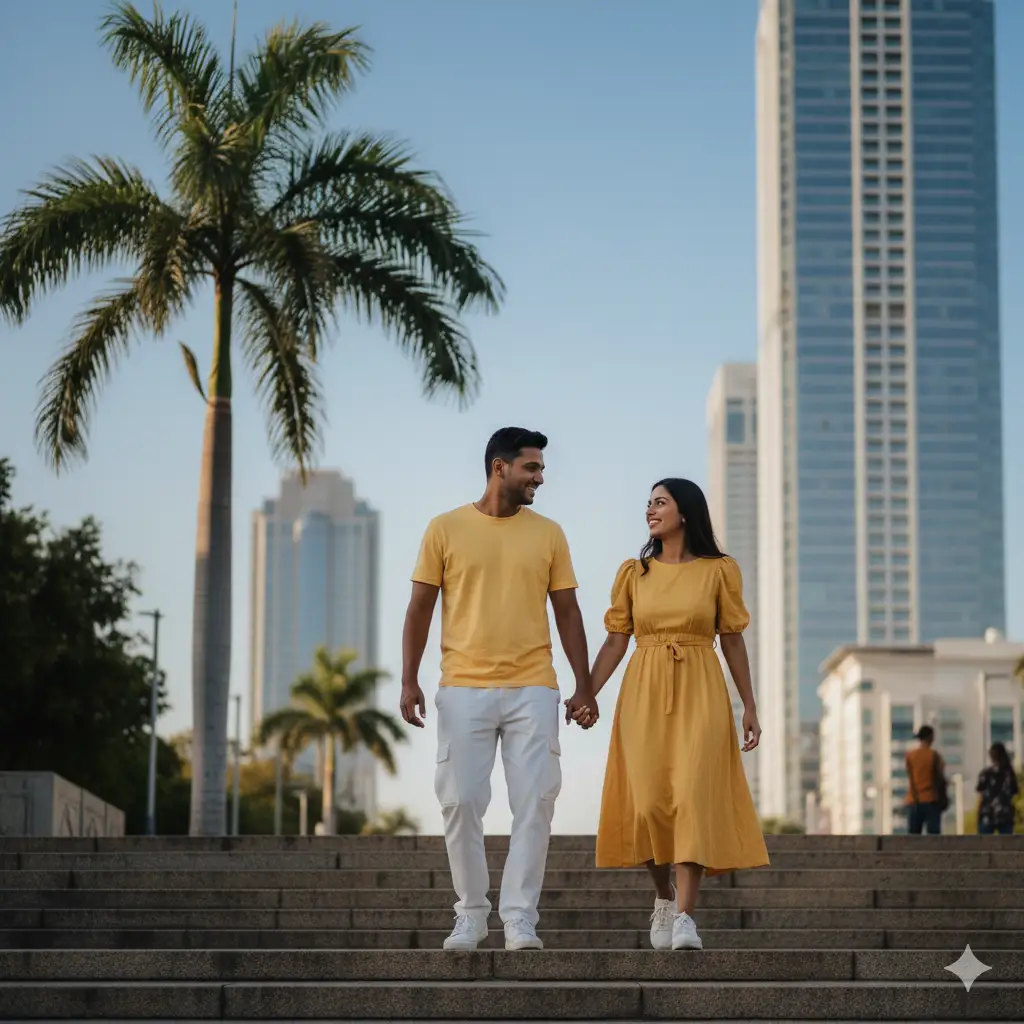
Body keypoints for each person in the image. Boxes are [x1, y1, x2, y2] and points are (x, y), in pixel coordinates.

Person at [399, 427, 596, 952]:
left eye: (541, 468)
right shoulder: (445, 528)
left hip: (534, 687)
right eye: (531, 467)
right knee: (460, 800)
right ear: (499, 467)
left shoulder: (549, 533)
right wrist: (408, 678)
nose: (540, 477)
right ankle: (471, 913)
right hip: (462, 686)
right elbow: (420, 607)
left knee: (535, 801)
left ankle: (519, 918)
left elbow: (568, 612)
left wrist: (585, 685)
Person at [581, 478, 769, 952]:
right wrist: (587, 691)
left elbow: (731, 639)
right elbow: (615, 640)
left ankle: (685, 916)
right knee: (647, 802)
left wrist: (749, 704)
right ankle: (662, 896)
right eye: (648, 503)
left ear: (685, 512)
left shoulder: (718, 571)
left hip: (701, 688)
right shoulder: (634, 572)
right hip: (643, 690)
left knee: (691, 798)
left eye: (659, 502)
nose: (650, 510)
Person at [905, 725, 946, 835]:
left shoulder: (910, 755)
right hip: (931, 799)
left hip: (913, 799)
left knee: (913, 837)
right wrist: (943, 798)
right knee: (933, 837)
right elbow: (940, 778)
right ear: (931, 737)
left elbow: (910, 777)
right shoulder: (934, 756)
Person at [976, 742, 1019, 836]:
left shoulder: (985, 773)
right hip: (1005, 813)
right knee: (1006, 845)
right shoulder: (1009, 773)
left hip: (987, 813)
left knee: (984, 844)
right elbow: (1015, 791)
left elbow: (980, 792)